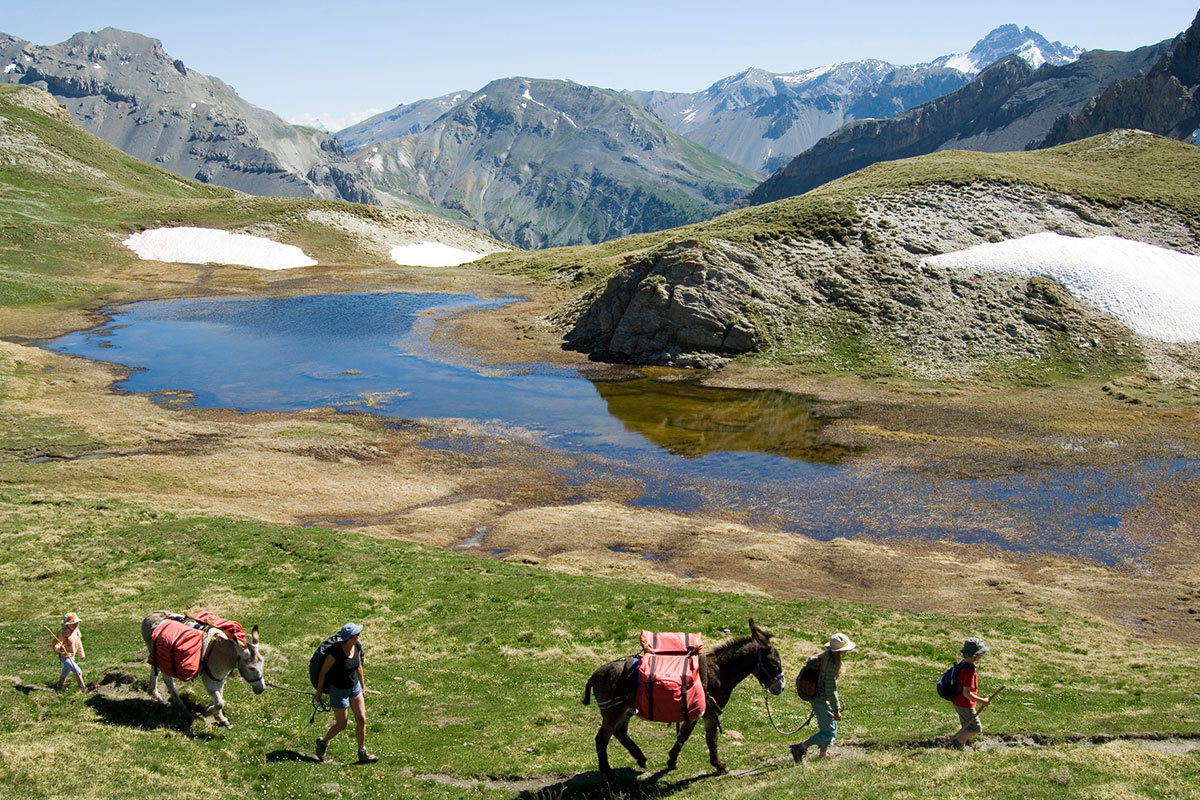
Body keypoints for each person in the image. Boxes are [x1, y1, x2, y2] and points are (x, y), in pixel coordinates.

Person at [313, 622, 378, 764]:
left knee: (361, 719)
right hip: (338, 691)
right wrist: (319, 692)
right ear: (349, 637)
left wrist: (362, 686)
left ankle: (362, 753)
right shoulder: (335, 652)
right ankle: (323, 742)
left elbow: (359, 667)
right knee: (341, 725)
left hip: (354, 688)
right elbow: (323, 673)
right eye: (357, 634)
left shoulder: (357, 646)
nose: (360, 635)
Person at [791, 632, 856, 762]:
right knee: (828, 732)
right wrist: (836, 709)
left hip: (817, 698)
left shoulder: (823, 658)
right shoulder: (831, 665)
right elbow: (831, 690)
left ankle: (823, 753)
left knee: (831, 727)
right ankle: (800, 747)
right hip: (821, 700)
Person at [952, 637, 993, 747]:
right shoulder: (968, 670)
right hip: (964, 703)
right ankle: (958, 744)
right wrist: (982, 701)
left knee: (967, 726)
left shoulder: (962, 664)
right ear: (975, 656)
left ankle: (958, 740)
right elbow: (966, 693)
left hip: (958, 701)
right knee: (975, 728)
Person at [53, 612, 88, 692]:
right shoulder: (63, 633)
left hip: (72, 656)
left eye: (76, 623)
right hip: (65, 656)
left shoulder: (76, 632)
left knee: (66, 671)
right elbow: (58, 644)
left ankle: (59, 684)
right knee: (78, 671)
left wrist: (81, 654)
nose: (75, 625)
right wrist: (59, 648)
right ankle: (83, 688)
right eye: (73, 624)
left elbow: (78, 643)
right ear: (67, 624)